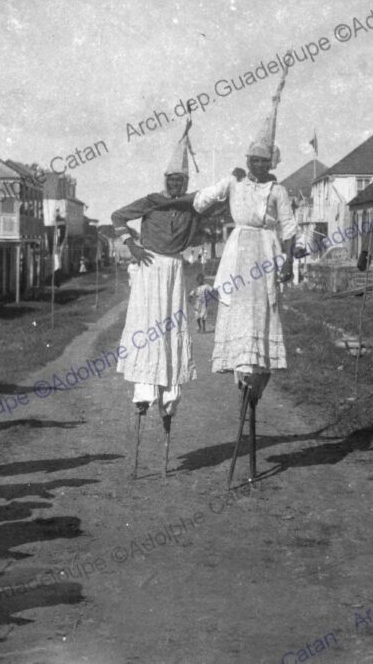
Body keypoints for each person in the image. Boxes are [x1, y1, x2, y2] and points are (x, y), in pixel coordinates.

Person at [190, 67, 300, 420]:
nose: (258, 165)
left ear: (271, 162)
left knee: (263, 312)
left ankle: (257, 385)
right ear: (246, 159)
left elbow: (290, 229)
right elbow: (200, 202)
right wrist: (226, 182)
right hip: (238, 253)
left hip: (267, 253)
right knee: (238, 312)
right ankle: (241, 376)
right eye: (253, 160)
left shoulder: (278, 190)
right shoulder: (235, 183)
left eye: (264, 161)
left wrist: (287, 261)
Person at [111, 119, 203, 478]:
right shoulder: (152, 201)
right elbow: (119, 216)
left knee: (171, 329)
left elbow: (218, 201)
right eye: (171, 180)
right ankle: (143, 395)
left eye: (181, 180)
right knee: (147, 326)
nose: (175, 184)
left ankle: (169, 400)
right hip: (149, 268)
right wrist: (131, 244)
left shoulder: (193, 206)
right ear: (165, 180)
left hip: (174, 270)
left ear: (187, 182)